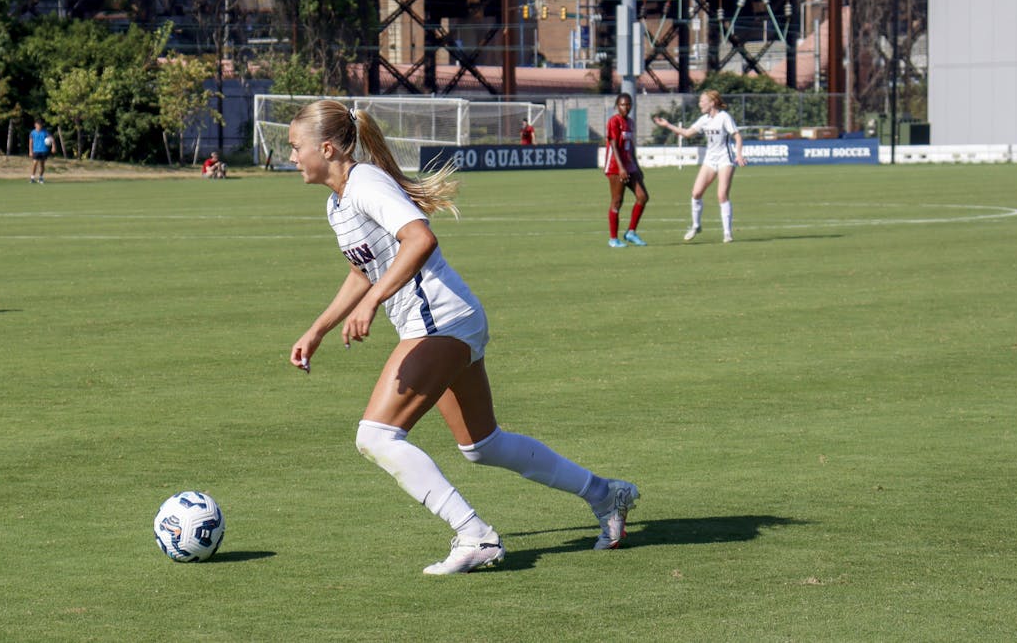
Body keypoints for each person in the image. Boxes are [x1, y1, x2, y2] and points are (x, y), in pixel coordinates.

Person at [285, 100, 639, 575]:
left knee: (376, 436)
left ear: (326, 148)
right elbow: (363, 270)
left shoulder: (367, 183)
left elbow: (420, 239)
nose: (291, 156)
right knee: (482, 445)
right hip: (450, 320)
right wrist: (318, 329)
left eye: (295, 146)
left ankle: (476, 536)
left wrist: (371, 305)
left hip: (441, 321)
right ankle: (606, 493)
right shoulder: (338, 202)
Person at [653, 89, 747, 243]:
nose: (700, 104)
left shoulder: (724, 117)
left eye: (703, 101)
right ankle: (696, 225)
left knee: (721, 195)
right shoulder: (704, 119)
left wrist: (739, 154)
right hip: (710, 159)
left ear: (712, 102)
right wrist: (668, 125)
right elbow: (687, 133)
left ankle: (727, 233)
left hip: (725, 158)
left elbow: (737, 136)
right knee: (696, 193)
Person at [604, 93, 649, 247]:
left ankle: (631, 232)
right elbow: (614, 145)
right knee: (617, 201)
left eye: (629, 104)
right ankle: (613, 239)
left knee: (642, 196)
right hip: (615, 166)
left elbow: (631, 147)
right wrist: (621, 168)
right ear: (617, 105)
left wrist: (636, 165)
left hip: (629, 165)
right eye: (623, 104)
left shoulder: (630, 122)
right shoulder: (614, 121)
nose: (626, 107)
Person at [28, 119, 55, 184]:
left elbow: (52, 139)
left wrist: (53, 147)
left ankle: (41, 178)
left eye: (40, 125)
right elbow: (30, 142)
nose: (39, 126)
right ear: (35, 125)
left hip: (44, 150)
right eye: (38, 125)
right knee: (35, 163)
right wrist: (30, 151)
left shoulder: (45, 132)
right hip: (36, 150)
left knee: (42, 165)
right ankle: (32, 178)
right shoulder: (32, 132)